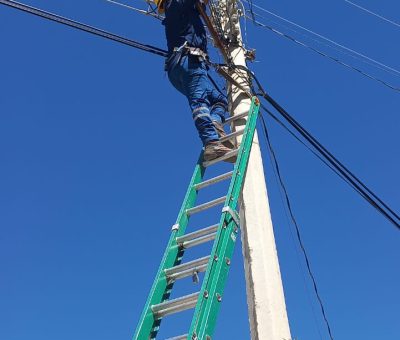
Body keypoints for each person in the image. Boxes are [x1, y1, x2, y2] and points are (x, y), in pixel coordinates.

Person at [155, 0, 236, 162]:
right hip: (189, 61)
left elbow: (196, 7)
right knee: (199, 101)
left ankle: (214, 125)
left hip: (178, 68)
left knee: (219, 100)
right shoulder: (176, 3)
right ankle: (211, 142)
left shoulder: (177, 12)